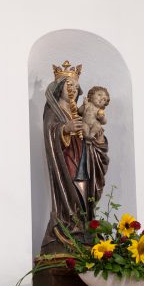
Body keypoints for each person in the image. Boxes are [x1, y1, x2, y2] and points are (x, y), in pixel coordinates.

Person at [40, 62, 110, 254]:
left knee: (85, 192)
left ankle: (84, 229)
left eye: (76, 86)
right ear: (59, 88)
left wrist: (99, 139)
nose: (73, 89)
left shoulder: (77, 109)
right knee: (70, 191)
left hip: (84, 158)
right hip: (65, 161)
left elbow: (94, 132)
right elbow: (49, 132)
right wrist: (65, 129)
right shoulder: (53, 110)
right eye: (68, 85)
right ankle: (69, 226)